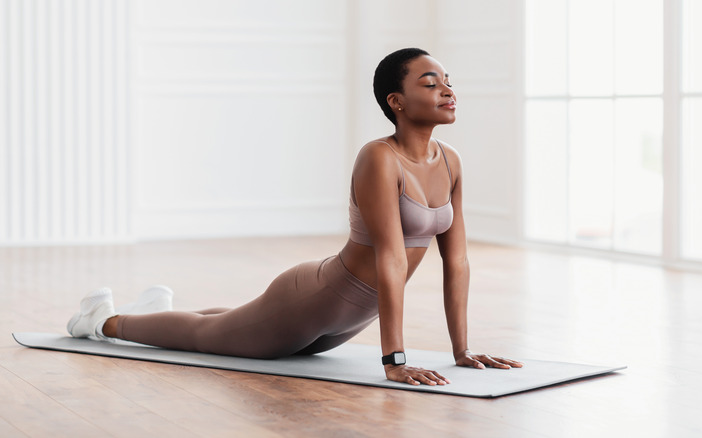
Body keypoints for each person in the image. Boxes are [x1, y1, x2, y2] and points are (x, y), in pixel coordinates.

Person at [67, 48, 522, 386]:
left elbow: (457, 262)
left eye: (448, 80)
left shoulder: (451, 160)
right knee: (212, 334)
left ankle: (152, 312)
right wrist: (395, 361)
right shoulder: (378, 158)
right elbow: (391, 259)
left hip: (349, 317)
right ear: (396, 101)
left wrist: (461, 351)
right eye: (429, 82)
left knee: (240, 323)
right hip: (318, 297)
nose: (447, 89)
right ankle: (102, 321)